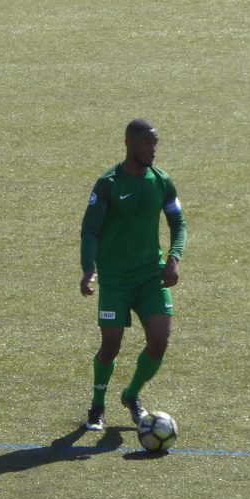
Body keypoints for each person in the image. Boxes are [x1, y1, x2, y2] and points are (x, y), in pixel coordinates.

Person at [79, 119, 188, 431]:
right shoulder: (109, 184)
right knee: (111, 347)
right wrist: (90, 269)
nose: (152, 150)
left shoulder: (162, 181)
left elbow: (178, 224)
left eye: (155, 144)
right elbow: (90, 229)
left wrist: (173, 259)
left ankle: (131, 395)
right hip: (115, 281)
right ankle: (97, 406)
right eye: (146, 145)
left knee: (159, 341)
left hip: (149, 278)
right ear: (128, 144)